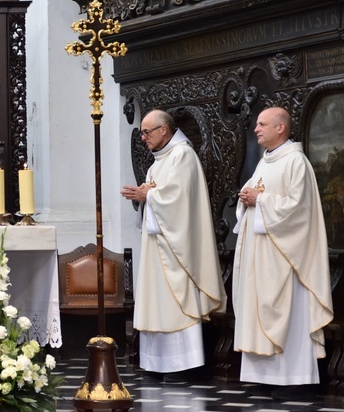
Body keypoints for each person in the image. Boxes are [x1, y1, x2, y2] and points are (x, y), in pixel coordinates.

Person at [121, 109, 226, 376]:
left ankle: (183, 364)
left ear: (163, 130)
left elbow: (179, 200)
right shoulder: (158, 163)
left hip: (178, 248)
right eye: (143, 132)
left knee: (177, 301)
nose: (143, 137)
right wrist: (145, 198)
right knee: (157, 301)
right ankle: (156, 363)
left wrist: (150, 196)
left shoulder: (183, 155)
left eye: (147, 132)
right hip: (159, 244)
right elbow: (159, 197)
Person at [233, 106, 333, 386]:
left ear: (281, 128)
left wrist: (260, 200)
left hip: (287, 259)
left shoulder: (296, 162)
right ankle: (265, 379)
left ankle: (294, 380)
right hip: (261, 256)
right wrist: (246, 199)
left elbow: (299, 210)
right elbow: (255, 197)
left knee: (290, 317)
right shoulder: (265, 161)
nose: (256, 129)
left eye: (262, 124)